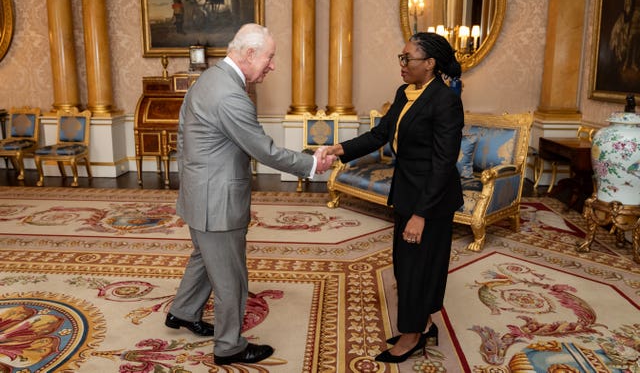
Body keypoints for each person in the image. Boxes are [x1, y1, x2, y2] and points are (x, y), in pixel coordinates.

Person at [166, 23, 335, 366]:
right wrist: (312, 165)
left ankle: (182, 312)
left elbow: (184, 138)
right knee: (231, 278)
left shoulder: (210, 79)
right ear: (248, 54)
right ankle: (229, 347)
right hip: (218, 201)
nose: (272, 65)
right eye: (270, 57)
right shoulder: (230, 95)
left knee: (204, 257)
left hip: (201, 194)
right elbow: (265, 150)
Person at [321, 32, 464, 364]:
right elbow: (380, 134)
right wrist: (338, 149)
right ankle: (424, 323)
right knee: (405, 265)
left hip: (432, 198)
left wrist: (421, 214)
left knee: (419, 268)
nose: (401, 64)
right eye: (401, 58)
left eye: (407, 58)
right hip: (406, 190)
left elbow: (444, 163)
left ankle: (412, 336)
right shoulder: (405, 92)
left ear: (429, 64)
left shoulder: (445, 101)